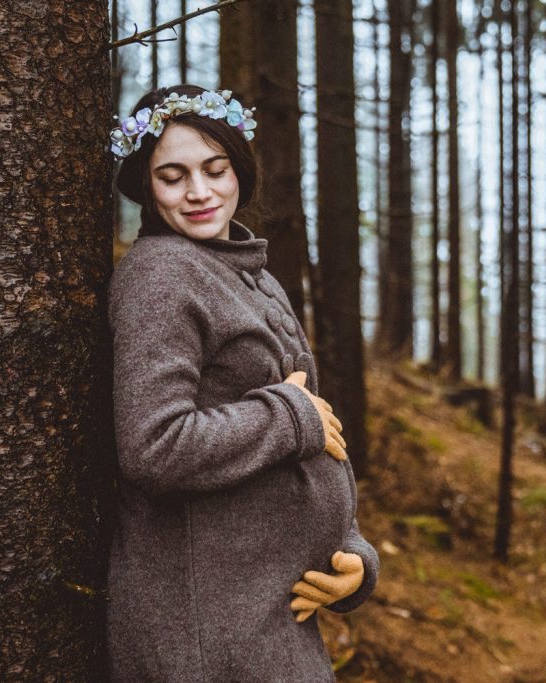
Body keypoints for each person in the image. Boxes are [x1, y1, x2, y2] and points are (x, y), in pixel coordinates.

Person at [106, 84, 378, 681]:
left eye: (215, 169)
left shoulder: (250, 274)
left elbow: (317, 432)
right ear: (147, 188)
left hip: (269, 612)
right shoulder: (161, 276)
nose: (199, 192)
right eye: (173, 176)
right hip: (206, 632)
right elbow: (155, 446)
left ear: (239, 172)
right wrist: (288, 417)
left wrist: (353, 556)